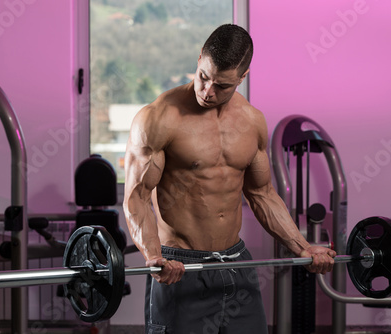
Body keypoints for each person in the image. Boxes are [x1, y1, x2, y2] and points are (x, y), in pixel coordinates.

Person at [123, 24, 336, 334]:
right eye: (203, 77)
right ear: (198, 60)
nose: (208, 91)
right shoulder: (158, 118)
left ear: (242, 77)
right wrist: (153, 255)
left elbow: (262, 194)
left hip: (236, 264)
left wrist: (302, 247)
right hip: (180, 267)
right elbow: (137, 197)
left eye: (221, 85)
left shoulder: (252, 121)